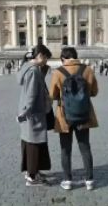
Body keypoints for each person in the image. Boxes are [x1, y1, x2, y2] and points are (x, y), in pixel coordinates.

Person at [50, 47, 98, 191]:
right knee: (85, 147)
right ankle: (89, 180)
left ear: (63, 58)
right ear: (76, 57)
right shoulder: (88, 70)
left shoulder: (58, 72)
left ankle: (67, 180)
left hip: (64, 115)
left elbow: (53, 95)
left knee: (65, 149)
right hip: (84, 114)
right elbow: (94, 92)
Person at [17, 45, 53, 186]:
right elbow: (31, 94)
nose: (46, 61)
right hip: (33, 112)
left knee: (30, 141)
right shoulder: (33, 72)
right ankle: (31, 176)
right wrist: (26, 112)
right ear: (40, 56)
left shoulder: (28, 68)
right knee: (34, 143)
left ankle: (33, 171)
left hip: (29, 112)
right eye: (45, 58)